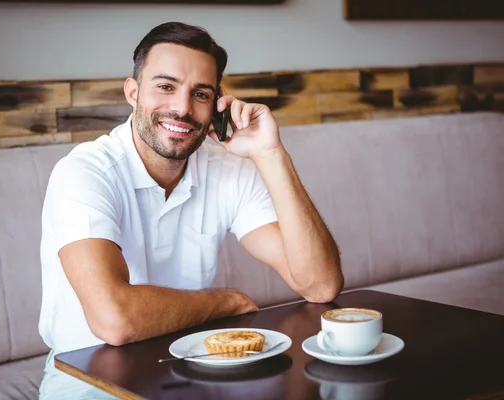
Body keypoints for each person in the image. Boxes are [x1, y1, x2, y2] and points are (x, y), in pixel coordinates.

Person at [38, 21, 343, 399]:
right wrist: (225, 301)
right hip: (88, 384)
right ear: (132, 92)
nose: (182, 108)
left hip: (193, 374)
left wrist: (270, 155)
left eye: (200, 94)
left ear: (217, 101)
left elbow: (320, 284)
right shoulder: (84, 173)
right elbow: (114, 319)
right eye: (165, 86)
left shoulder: (227, 169)